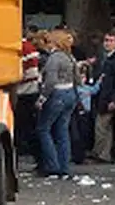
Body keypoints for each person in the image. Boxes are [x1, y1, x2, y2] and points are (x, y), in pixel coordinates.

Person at [35, 29, 77, 178]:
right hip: (70, 94)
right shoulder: (70, 57)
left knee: (43, 129)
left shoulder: (54, 58)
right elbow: (77, 78)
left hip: (56, 95)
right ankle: (64, 167)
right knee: (62, 131)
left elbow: (51, 81)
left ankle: (52, 166)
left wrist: (42, 98)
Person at [91, 30, 115, 163]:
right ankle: (104, 154)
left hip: (110, 97)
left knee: (101, 126)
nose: (107, 43)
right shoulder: (103, 57)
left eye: (111, 41)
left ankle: (100, 153)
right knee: (105, 128)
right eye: (106, 40)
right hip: (101, 96)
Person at [15, 26, 42, 159]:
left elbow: (30, 73)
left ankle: (38, 156)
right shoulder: (29, 47)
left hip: (24, 91)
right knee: (28, 126)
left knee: (25, 126)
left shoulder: (23, 48)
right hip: (30, 90)